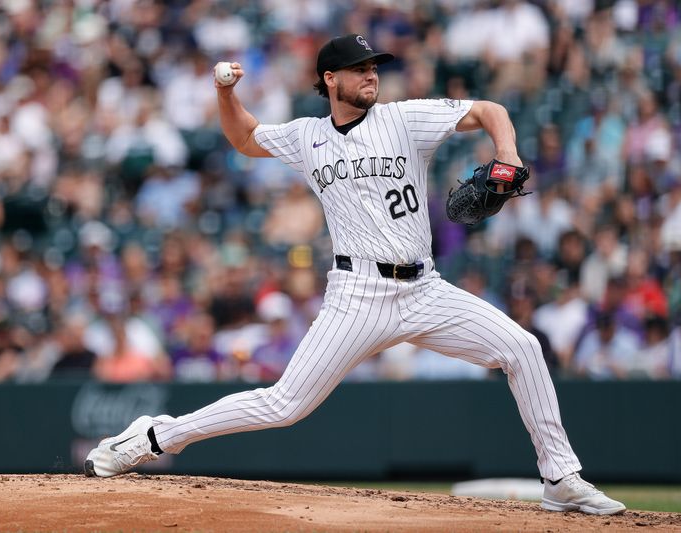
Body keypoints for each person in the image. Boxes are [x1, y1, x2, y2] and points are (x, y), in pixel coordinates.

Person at [84, 34, 625, 516]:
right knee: (284, 405)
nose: (372, 75)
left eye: (375, 67)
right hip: (357, 294)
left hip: (424, 288)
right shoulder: (307, 136)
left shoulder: (403, 118)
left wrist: (506, 153)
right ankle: (153, 436)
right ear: (330, 78)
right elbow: (245, 138)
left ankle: (561, 478)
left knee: (523, 349)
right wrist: (226, 95)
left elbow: (489, 109)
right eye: (361, 68)